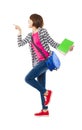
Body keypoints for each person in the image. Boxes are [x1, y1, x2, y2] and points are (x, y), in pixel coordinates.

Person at [14, 14, 73, 116]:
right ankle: (45, 110)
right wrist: (19, 32)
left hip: (46, 61)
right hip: (38, 63)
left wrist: (67, 47)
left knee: (28, 78)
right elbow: (20, 44)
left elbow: (52, 43)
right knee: (41, 86)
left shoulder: (42, 31)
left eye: (29, 20)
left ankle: (47, 93)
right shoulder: (30, 35)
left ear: (34, 21)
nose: (28, 22)